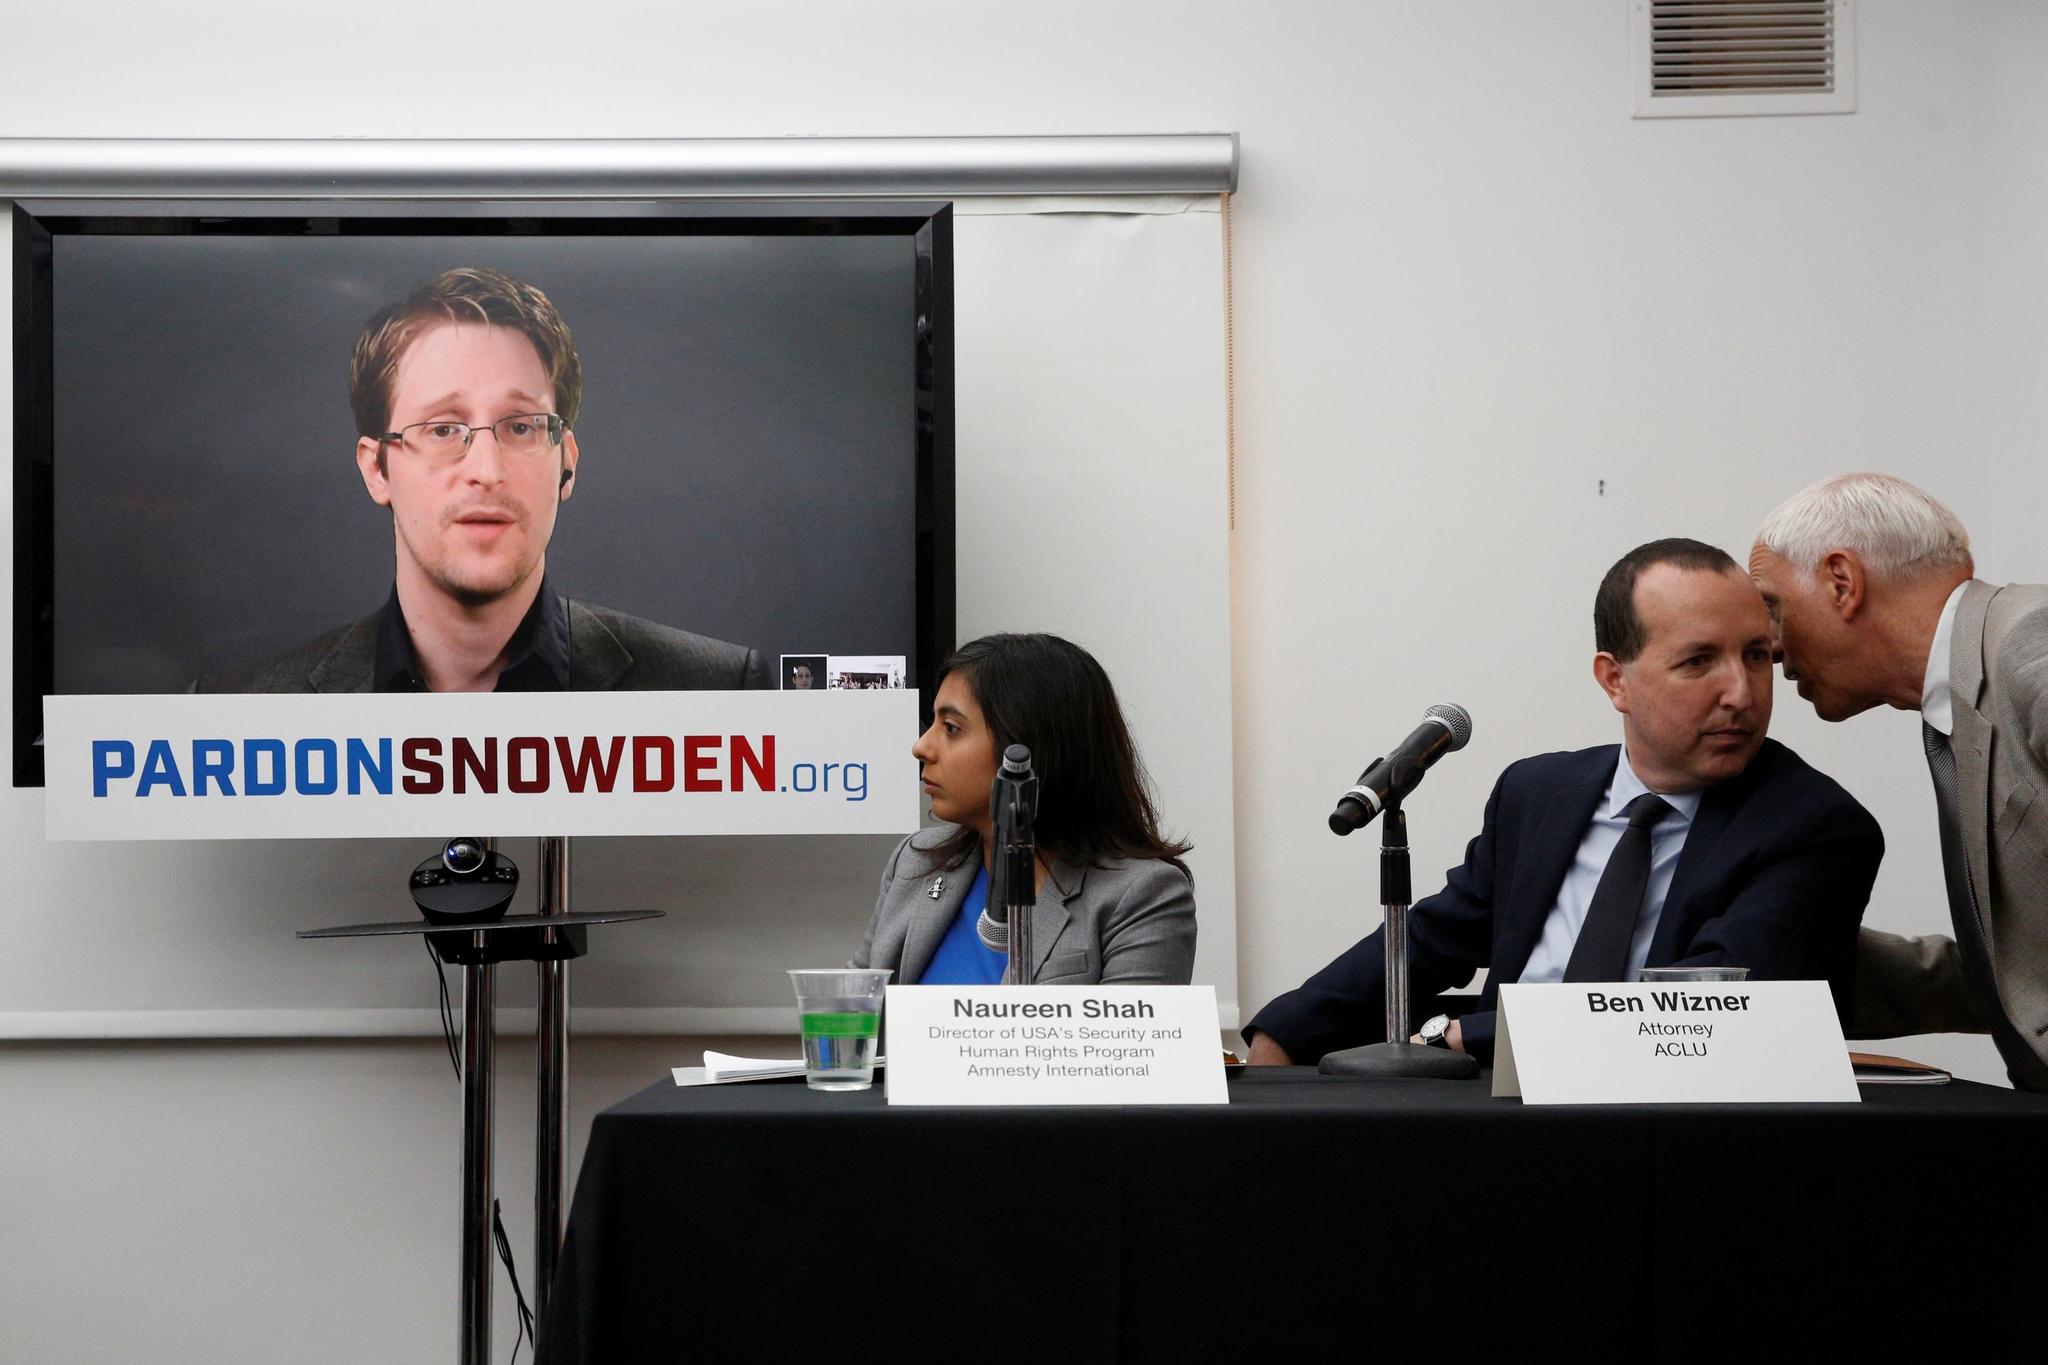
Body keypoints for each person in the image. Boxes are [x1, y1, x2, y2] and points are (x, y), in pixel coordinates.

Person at [1246, 538, 1883, 1066]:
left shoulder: (1814, 827)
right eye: (1698, 662)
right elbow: (1434, 937)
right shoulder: (1539, 795)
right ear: (1615, 680)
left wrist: (1467, 1036)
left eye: (1755, 657)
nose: (1741, 694)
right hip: (1493, 1114)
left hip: (1669, 1125)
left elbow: (1710, 1013)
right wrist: (1284, 1034)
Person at [197, 267, 768, 693]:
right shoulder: (237, 708)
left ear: (565, 460)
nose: (487, 472)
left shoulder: (721, 690)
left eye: (521, 426)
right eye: (443, 429)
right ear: (378, 469)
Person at [1750, 473, 2048, 1090]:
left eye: (1773, 608)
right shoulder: (1957, 706)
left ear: (1842, 582)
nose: (1771, 650)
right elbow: (2025, 970)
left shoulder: (2031, 643)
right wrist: (1765, 957)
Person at [853, 632, 1196, 986]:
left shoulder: (1143, 895)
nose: (921, 746)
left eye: (952, 728)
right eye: (933, 724)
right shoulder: (916, 861)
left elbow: (1130, 1042)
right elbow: (851, 1007)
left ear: (1029, 745)